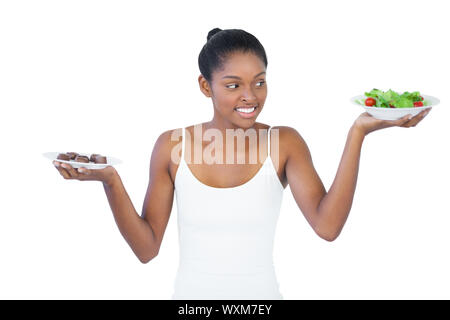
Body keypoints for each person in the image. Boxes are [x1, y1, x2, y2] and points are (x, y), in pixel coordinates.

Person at [52, 28, 431, 299]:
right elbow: (147, 249)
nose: (250, 96)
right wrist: (111, 181)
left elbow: (327, 227)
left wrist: (358, 134)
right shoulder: (172, 146)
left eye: (260, 82)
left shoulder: (283, 143)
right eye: (233, 85)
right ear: (206, 86)